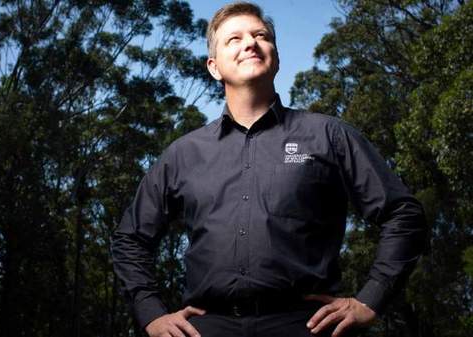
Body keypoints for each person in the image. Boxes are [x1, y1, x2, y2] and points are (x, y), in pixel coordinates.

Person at [111, 2, 427, 337]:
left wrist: (371, 298)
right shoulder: (182, 154)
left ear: (275, 55)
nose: (250, 42)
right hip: (208, 328)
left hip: (308, 326)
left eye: (260, 35)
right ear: (214, 67)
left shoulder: (329, 135)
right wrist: (151, 313)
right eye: (234, 39)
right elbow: (129, 238)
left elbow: (402, 214)